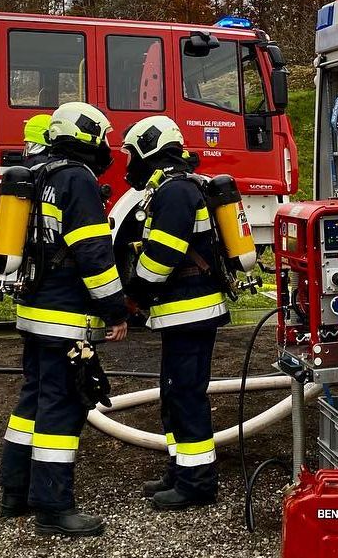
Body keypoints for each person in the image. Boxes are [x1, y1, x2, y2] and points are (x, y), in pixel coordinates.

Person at [0, 102, 128, 537]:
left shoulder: (35, 174)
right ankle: (53, 508)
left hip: (34, 311)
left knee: (32, 401)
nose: (106, 146)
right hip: (65, 316)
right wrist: (115, 308)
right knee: (62, 406)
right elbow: (93, 252)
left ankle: (15, 492)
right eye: (103, 137)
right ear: (87, 136)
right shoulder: (77, 179)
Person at [123, 115, 229, 511]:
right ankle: (180, 470)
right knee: (173, 395)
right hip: (182, 312)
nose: (128, 163)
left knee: (186, 396)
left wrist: (133, 293)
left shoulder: (175, 191)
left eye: (131, 154)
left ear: (148, 149)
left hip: (190, 311)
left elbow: (161, 258)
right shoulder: (172, 188)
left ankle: (197, 483)